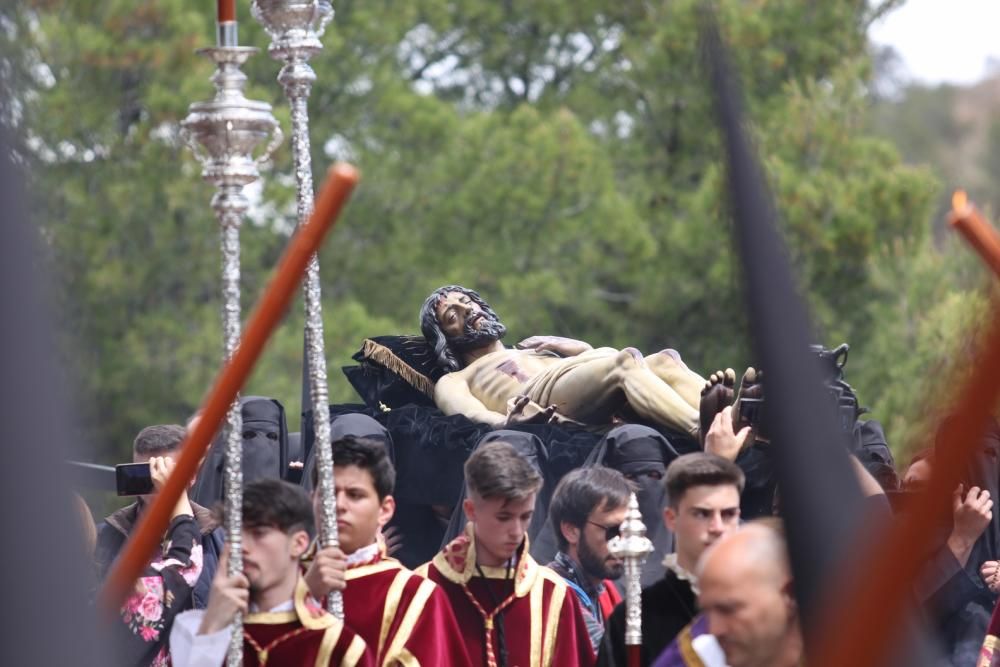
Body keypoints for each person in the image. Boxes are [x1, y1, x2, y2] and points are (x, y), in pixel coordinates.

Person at [420, 285, 705, 437]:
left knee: (665, 361)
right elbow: (471, 413)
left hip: (570, 379)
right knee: (626, 361)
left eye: (466, 301)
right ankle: (700, 428)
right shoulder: (456, 379)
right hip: (535, 398)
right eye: (452, 316)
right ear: (445, 338)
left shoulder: (530, 349)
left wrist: (582, 350)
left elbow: (591, 382)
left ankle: (730, 419)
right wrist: (505, 424)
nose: (466, 310)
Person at [417, 441, 595, 667]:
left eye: (525, 516)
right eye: (504, 517)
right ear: (471, 510)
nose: (517, 531)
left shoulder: (553, 594)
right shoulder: (424, 588)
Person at [303, 435, 473, 666]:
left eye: (355, 495)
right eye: (328, 494)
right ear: (312, 500)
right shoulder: (275, 581)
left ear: (385, 510)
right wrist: (303, 597)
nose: (338, 505)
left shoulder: (415, 596)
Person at [170, 479, 372, 666]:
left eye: (259, 533)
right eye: (235, 535)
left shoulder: (337, 645)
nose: (243, 547)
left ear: (298, 543)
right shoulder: (191, 631)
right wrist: (212, 628)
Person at [94, 424, 223, 666]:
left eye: (164, 474)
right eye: (146, 474)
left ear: (192, 475)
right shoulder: (107, 537)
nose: (156, 484)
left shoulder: (218, 538)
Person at [597, 453, 743, 667]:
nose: (718, 527)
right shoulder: (636, 616)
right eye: (702, 514)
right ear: (671, 518)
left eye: (728, 514)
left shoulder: (762, 609)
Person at [656, 521, 801, 667]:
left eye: (729, 609)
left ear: (789, 596)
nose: (714, 630)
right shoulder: (696, 656)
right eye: (706, 612)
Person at [545, 466, 630, 650]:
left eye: (628, 531)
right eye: (613, 531)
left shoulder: (605, 590)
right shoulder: (550, 595)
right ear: (571, 531)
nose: (623, 543)